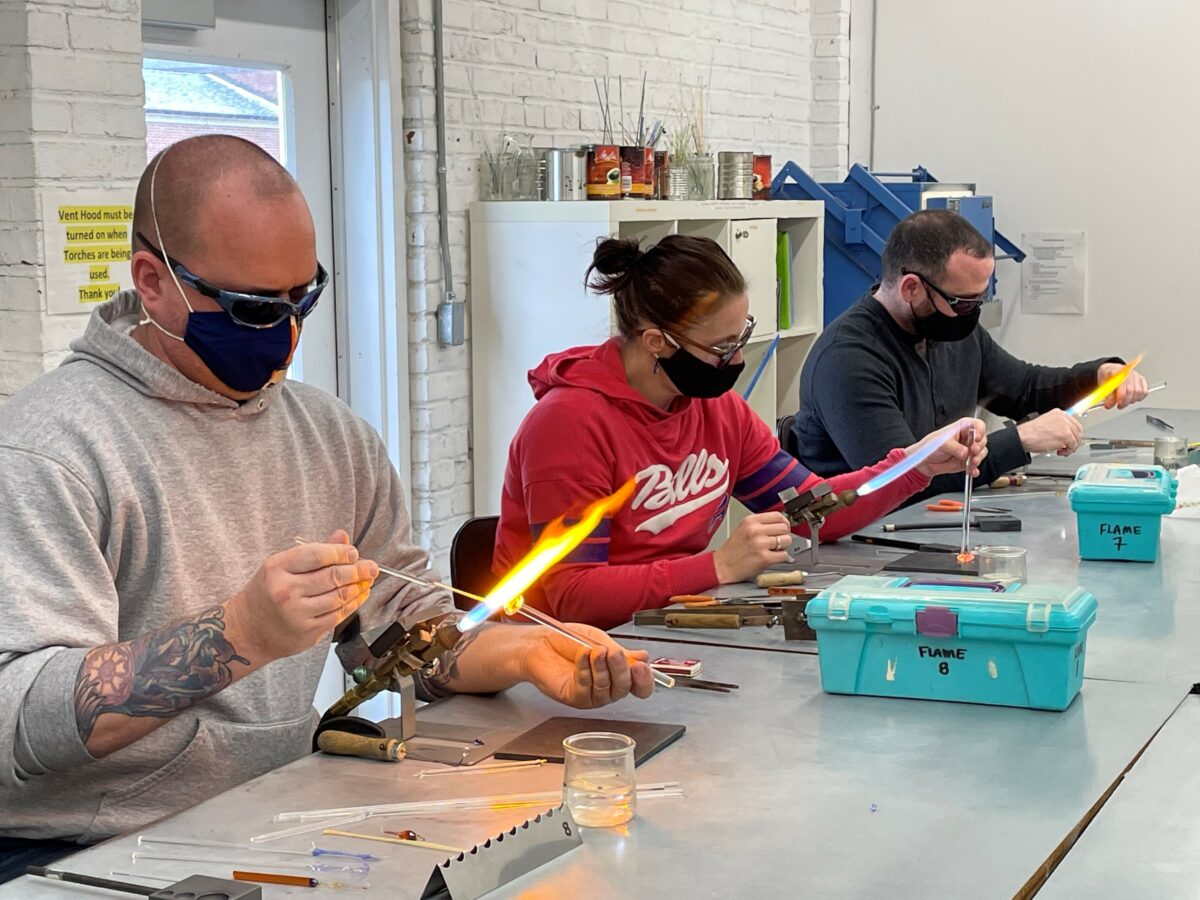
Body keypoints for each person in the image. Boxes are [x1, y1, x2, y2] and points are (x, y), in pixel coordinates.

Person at [0, 135, 653, 883]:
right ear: (152, 282)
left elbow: (397, 636)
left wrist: (526, 654)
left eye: (302, 297)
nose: (287, 333)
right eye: (252, 308)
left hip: (269, 810)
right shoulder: (48, 451)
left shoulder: (329, 436)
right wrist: (238, 634)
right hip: (79, 852)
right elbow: (18, 723)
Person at [493, 235, 988, 631]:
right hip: (554, 655)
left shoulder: (717, 411)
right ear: (656, 343)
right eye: (722, 346)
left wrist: (913, 464)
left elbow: (812, 513)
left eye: (742, 336)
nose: (735, 360)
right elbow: (572, 595)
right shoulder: (570, 426)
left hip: (657, 627)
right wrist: (717, 568)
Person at [789, 210, 1149, 501]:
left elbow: (1022, 388)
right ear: (912, 288)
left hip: (934, 520)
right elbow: (902, 480)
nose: (973, 312)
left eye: (980, 298)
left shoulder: (949, 328)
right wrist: (1021, 439)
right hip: (862, 541)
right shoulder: (848, 360)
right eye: (963, 301)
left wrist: (1099, 376)